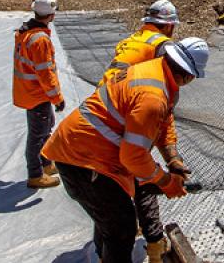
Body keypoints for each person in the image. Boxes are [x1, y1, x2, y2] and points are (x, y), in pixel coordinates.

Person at [42, 37, 209, 263]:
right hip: (82, 159)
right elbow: (133, 157)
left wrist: (173, 160)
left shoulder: (154, 71)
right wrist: (166, 181)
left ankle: (103, 257)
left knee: (111, 218)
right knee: (121, 227)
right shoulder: (152, 96)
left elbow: (164, 122)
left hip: (83, 151)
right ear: (189, 75)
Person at [93, 0, 180, 262]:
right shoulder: (163, 47)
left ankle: (105, 247)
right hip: (129, 115)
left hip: (108, 109)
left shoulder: (134, 40)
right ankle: (154, 245)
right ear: (169, 26)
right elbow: (162, 102)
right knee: (144, 178)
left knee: (110, 186)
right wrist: (170, 154)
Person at [13, 0, 65, 189]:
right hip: (37, 94)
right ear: (51, 15)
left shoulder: (26, 31)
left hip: (29, 92)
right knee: (37, 134)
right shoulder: (40, 39)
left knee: (46, 125)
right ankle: (35, 174)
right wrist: (57, 98)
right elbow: (45, 74)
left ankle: (45, 162)